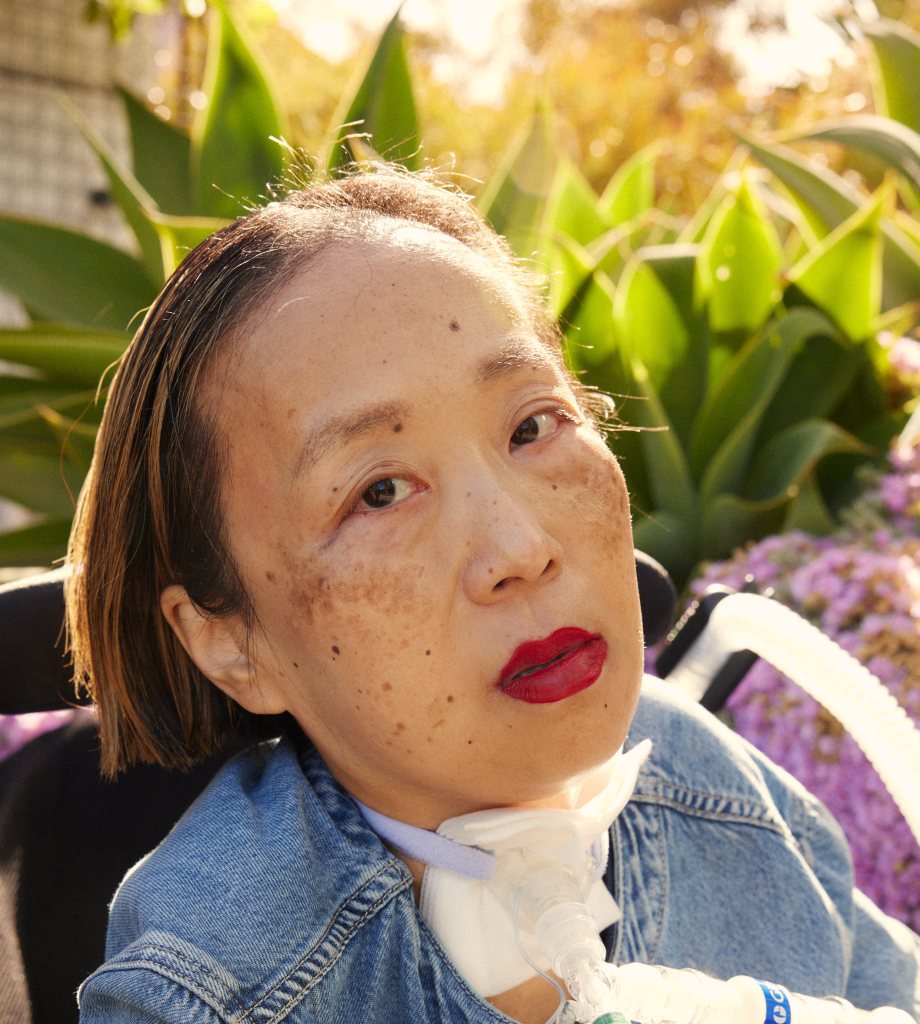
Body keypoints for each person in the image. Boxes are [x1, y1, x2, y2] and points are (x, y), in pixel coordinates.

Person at [66, 169, 920, 1024]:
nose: (521, 549)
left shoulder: (721, 797)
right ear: (231, 643)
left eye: (532, 426)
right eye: (380, 493)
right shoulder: (215, 991)